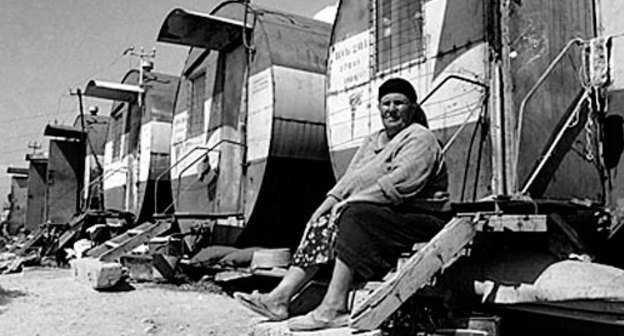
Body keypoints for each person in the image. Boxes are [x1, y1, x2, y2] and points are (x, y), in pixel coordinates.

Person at [235, 78, 450, 331]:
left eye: (399, 103)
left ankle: (333, 308)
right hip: (388, 213)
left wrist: (348, 203)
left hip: (419, 216)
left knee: (353, 213)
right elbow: (351, 180)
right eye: (386, 103)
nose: (391, 109)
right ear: (379, 108)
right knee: (326, 218)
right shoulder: (374, 141)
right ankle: (279, 298)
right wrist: (324, 207)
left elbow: (400, 185)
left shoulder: (419, 137)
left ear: (412, 108)